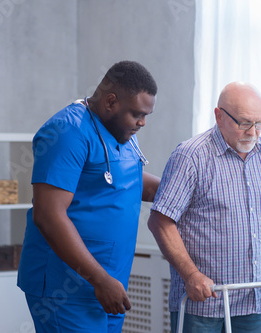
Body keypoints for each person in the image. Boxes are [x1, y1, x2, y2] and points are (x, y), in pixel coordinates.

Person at [148, 82, 261, 332]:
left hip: (251, 302)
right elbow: (160, 221)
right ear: (219, 116)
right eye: (244, 123)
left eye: (259, 123)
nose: (253, 132)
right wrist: (191, 275)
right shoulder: (191, 156)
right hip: (202, 303)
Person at [17, 60, 160, 333]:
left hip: (110, 284)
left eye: (146, 116)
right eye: (137, 114)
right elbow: (48, 216)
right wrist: (100, 280)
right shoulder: (67, 132)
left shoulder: (122, 131)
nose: (142, 123)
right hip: (67, 288)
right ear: (111, 102)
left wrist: (187, 191)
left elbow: (129, 180)